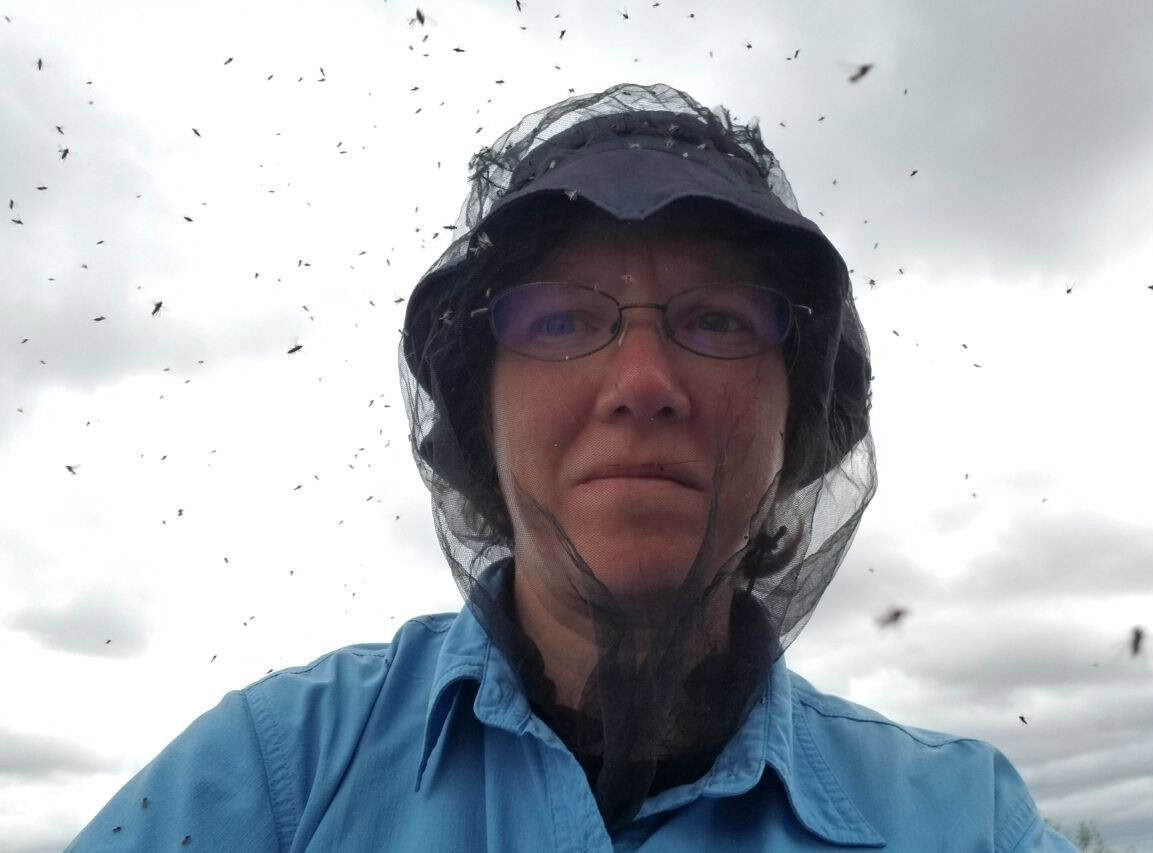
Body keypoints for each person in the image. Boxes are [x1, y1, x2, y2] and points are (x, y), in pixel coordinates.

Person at [70, 83, 1077, 851]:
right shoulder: (276, 770)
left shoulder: (957, 819)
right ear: (480, 416)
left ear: (796, 419)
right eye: (559, 318)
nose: (642, 380)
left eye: (716, 318)